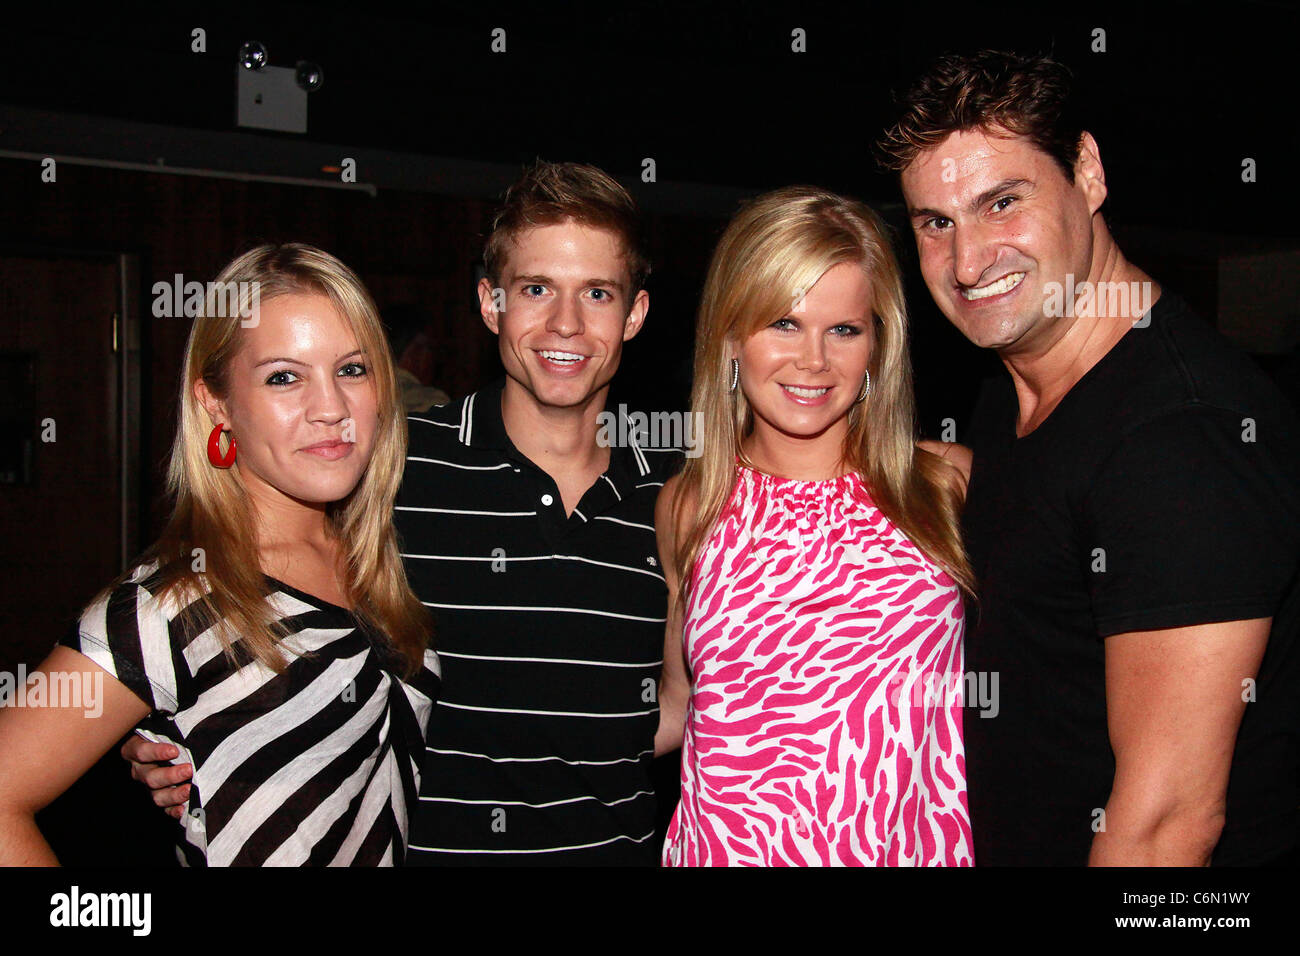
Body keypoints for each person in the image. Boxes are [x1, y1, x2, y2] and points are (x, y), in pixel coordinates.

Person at [127, 162, 684, 865]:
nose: (565, 322)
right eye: (536, 288)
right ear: (491, 304)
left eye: (597, 293)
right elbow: (246, 583)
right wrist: (171, 719)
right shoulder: (386, 467)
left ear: (633, 313)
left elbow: (682, 704)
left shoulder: (676, 499)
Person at [878, 50, 1300, 865]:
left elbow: (1163, 832)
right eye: (937, 223)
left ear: (1089, 173)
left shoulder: (1183, 437)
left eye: (1001, 203)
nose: (968, 264)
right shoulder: (1015, 388)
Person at [0, 243, 440, 866]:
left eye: (352, 369)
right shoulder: (169, 604)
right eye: (283, 376)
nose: (331, 409)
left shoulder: (381, 560)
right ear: (216, 403)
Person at [656, 186, 976, 865]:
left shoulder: (945, 485)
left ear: (877, 345)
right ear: (730, 334)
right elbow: (677, 709)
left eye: (844, 330)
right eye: (783, 323)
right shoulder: (691, 503)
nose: (814, 360)